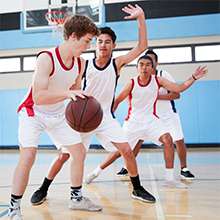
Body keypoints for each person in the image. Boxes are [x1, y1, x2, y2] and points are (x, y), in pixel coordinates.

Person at [30, 4, 156, 206]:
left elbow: (142, 47)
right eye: (99, 41)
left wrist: (141, 17)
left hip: (103, 116)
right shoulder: (83, 63)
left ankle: (137, 188)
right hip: (82, 116)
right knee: (64, 156)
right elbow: (72, 87)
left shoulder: (117, 63)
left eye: (107, 42)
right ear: (94, 44)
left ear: (113, 46)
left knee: (126, 149)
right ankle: (43, 188)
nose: (103, 45)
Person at [8, 15, 101, 220]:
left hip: (58, 114)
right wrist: (68, 94)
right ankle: (14, 208)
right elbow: (38, 97)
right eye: (87, 41)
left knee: (79, 151)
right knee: (28, 156)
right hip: (33, 112)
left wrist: (83, 102)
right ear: (73, 37)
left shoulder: (80, 63)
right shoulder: (46, 58)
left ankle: (76, 198)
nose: (88, 47)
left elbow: (75, 92)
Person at [84, 55, 207, 187]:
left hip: (151, 121)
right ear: (137, 68)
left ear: (152, 68)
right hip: (133, 123)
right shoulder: (132, 83)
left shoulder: (158, 80)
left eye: (148, 65)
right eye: (141, 64)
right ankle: (95, 172)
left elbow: (179, 88)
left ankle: (169, 179)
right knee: (118, 153)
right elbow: (117, 100)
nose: (144, 67)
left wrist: (193, 77)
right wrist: (107, 117)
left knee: (168, 139)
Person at [116, 49, 195, 179]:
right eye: (143, 63)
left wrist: (157, 97)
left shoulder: (163, 76)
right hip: (150, 115)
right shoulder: (136, 80)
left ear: (155, 64)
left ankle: (183, 168)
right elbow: (123, 98)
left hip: (168, 113)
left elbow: (177, 94)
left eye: (150, 62)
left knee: (178, 139)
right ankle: (126, 167)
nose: (146, 65)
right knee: (137, 140)